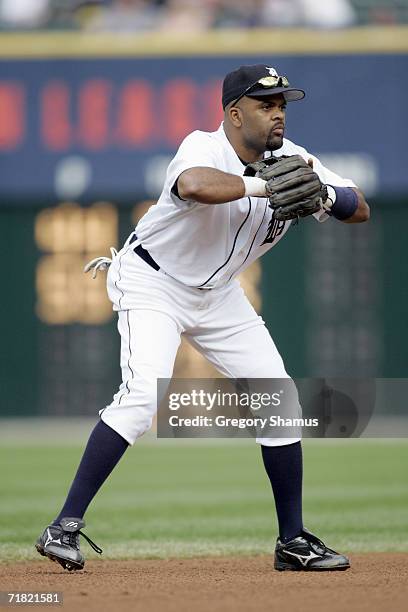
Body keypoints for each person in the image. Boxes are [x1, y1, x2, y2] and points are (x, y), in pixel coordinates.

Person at [35, 63, 370, 572]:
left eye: (282, 104)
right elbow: (193, 185)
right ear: (235, 114)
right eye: (265, 104)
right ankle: (63, 526)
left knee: (278, 397)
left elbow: (359, 206)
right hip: (153, 281)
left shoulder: (296, 160)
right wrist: (259, 189)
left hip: (218, 295)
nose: (278, 113)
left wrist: (324, 194)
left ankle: (292, 541)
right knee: (144, 394)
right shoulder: (202, 147)